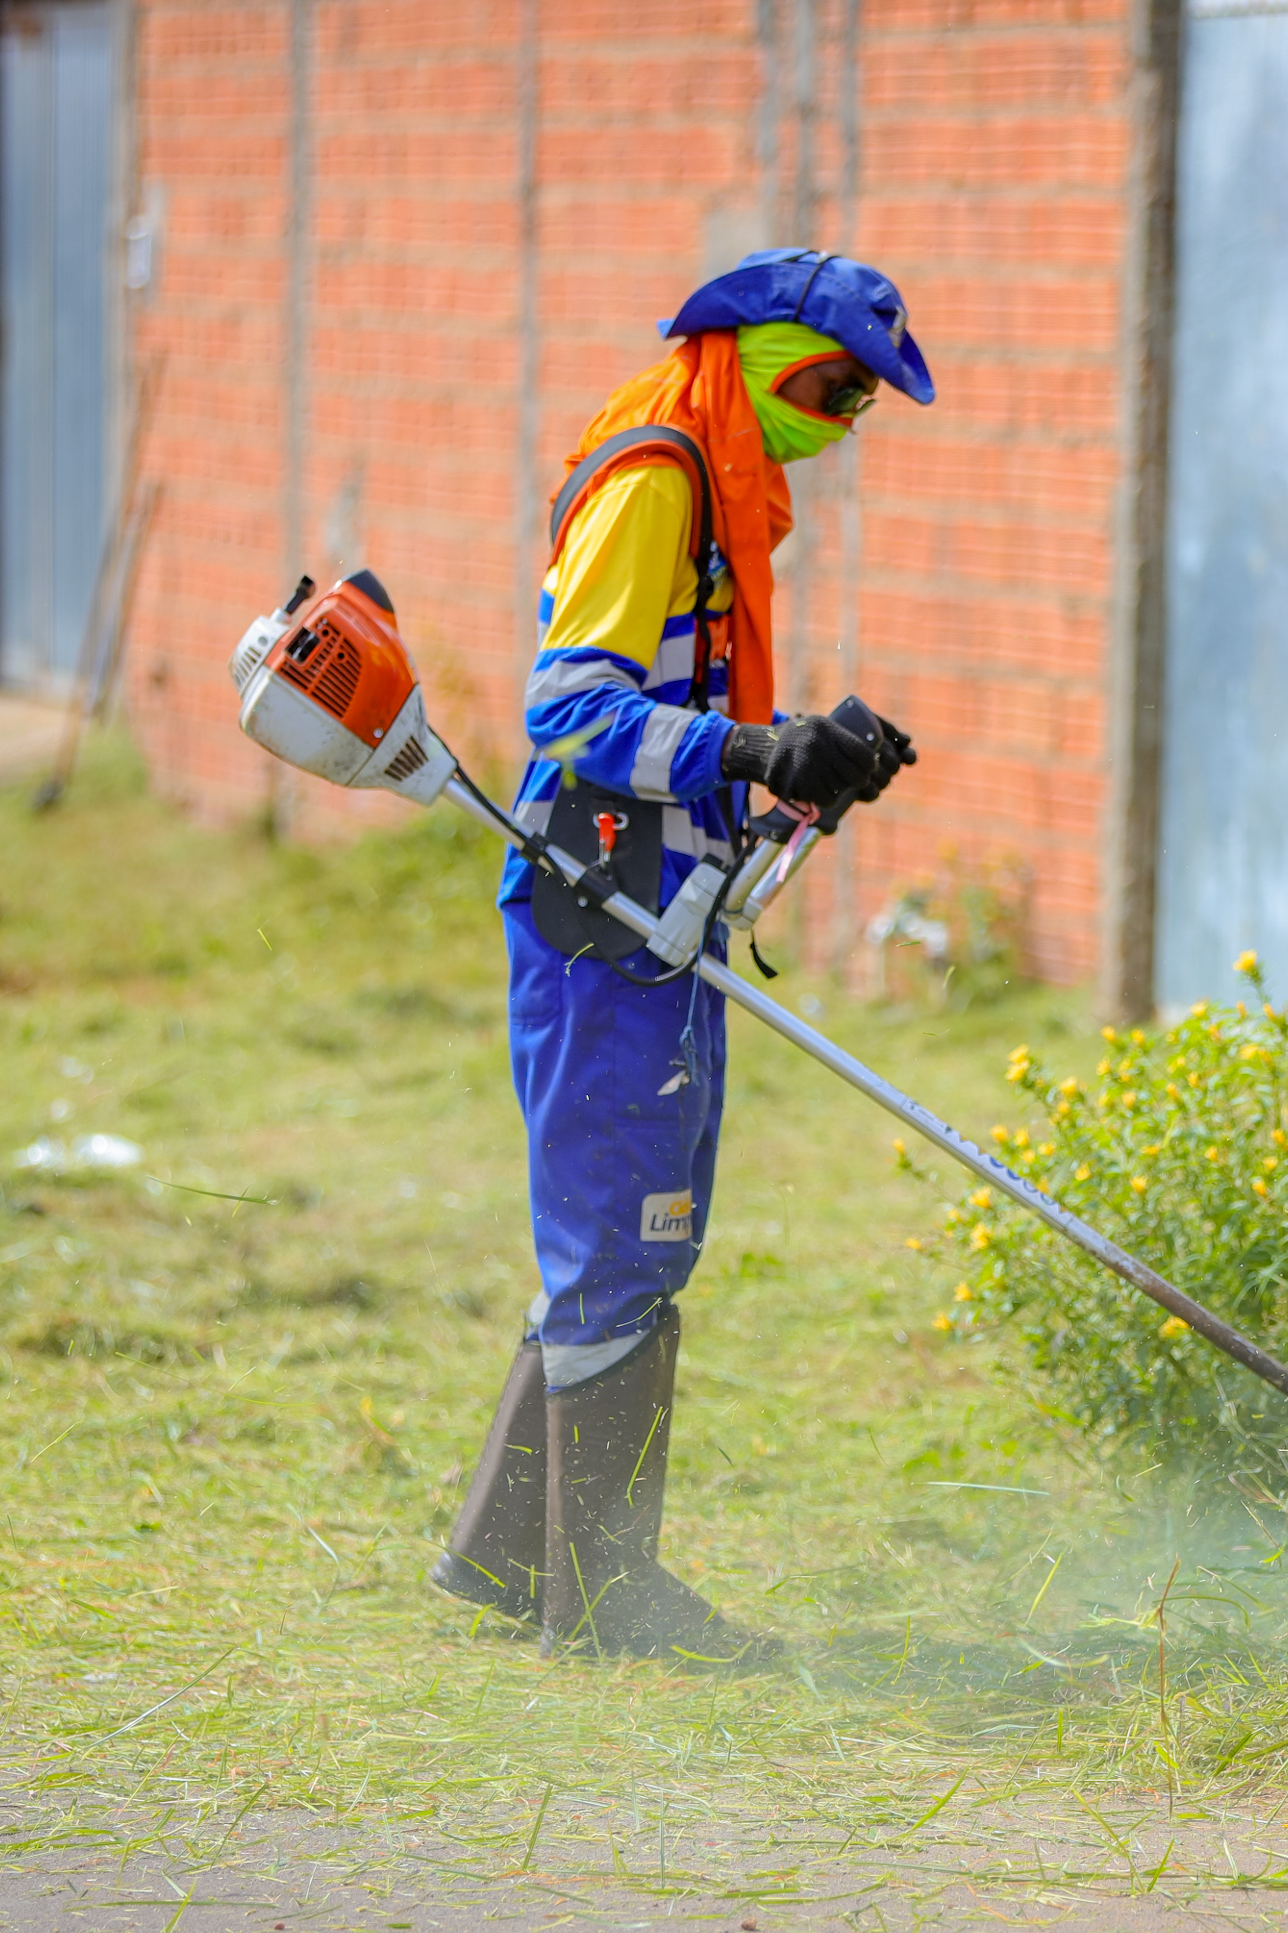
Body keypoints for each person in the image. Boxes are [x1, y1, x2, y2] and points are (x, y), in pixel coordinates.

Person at [431, 249, 929, 1660]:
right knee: (623, 1239)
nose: (840, 425)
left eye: (865, 408)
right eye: (835, 389)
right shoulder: (659, 470)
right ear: (764, 354)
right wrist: (751, 743)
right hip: (604, 907)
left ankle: (502, 1564)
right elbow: (569, 709)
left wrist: (799, 767)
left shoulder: (717, 482)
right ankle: (603, 1603)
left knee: (640, 1233)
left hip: (661, 892)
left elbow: (681, 707)